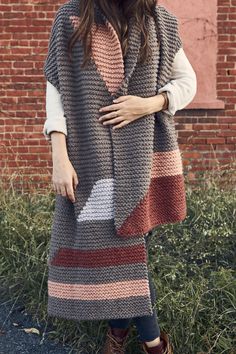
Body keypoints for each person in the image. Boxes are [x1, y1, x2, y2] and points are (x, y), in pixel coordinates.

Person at [43, 0, 197, 353]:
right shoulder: (71, 17)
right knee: (127, 255)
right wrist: (59, 156)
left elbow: (188, 82)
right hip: (91, 161)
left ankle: (118, 336)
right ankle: (155, 345)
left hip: (144, 162)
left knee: (131, 254)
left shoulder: (160, 21)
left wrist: (149, 103)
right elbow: (55, 89)